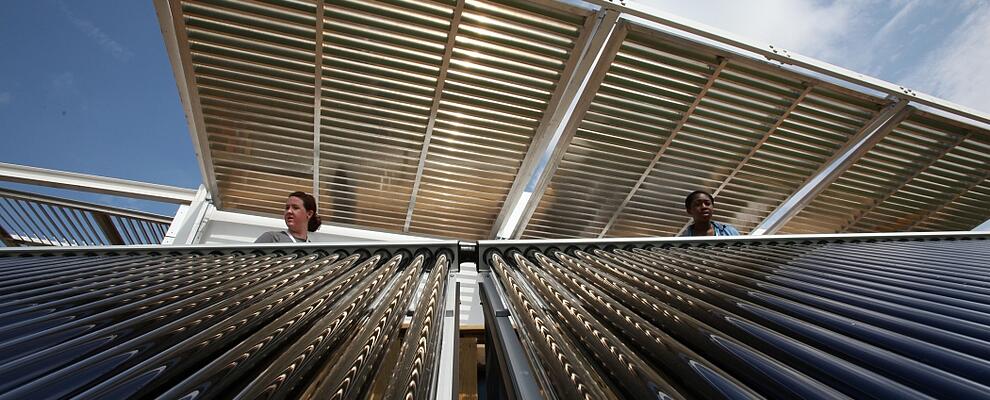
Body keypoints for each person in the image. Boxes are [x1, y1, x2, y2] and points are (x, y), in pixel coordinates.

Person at [255, 191, 322, 243]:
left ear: (309, 214)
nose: (289, 211)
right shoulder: (272, 238)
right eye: (287, 208)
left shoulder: (311, 249)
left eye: (295, 208)